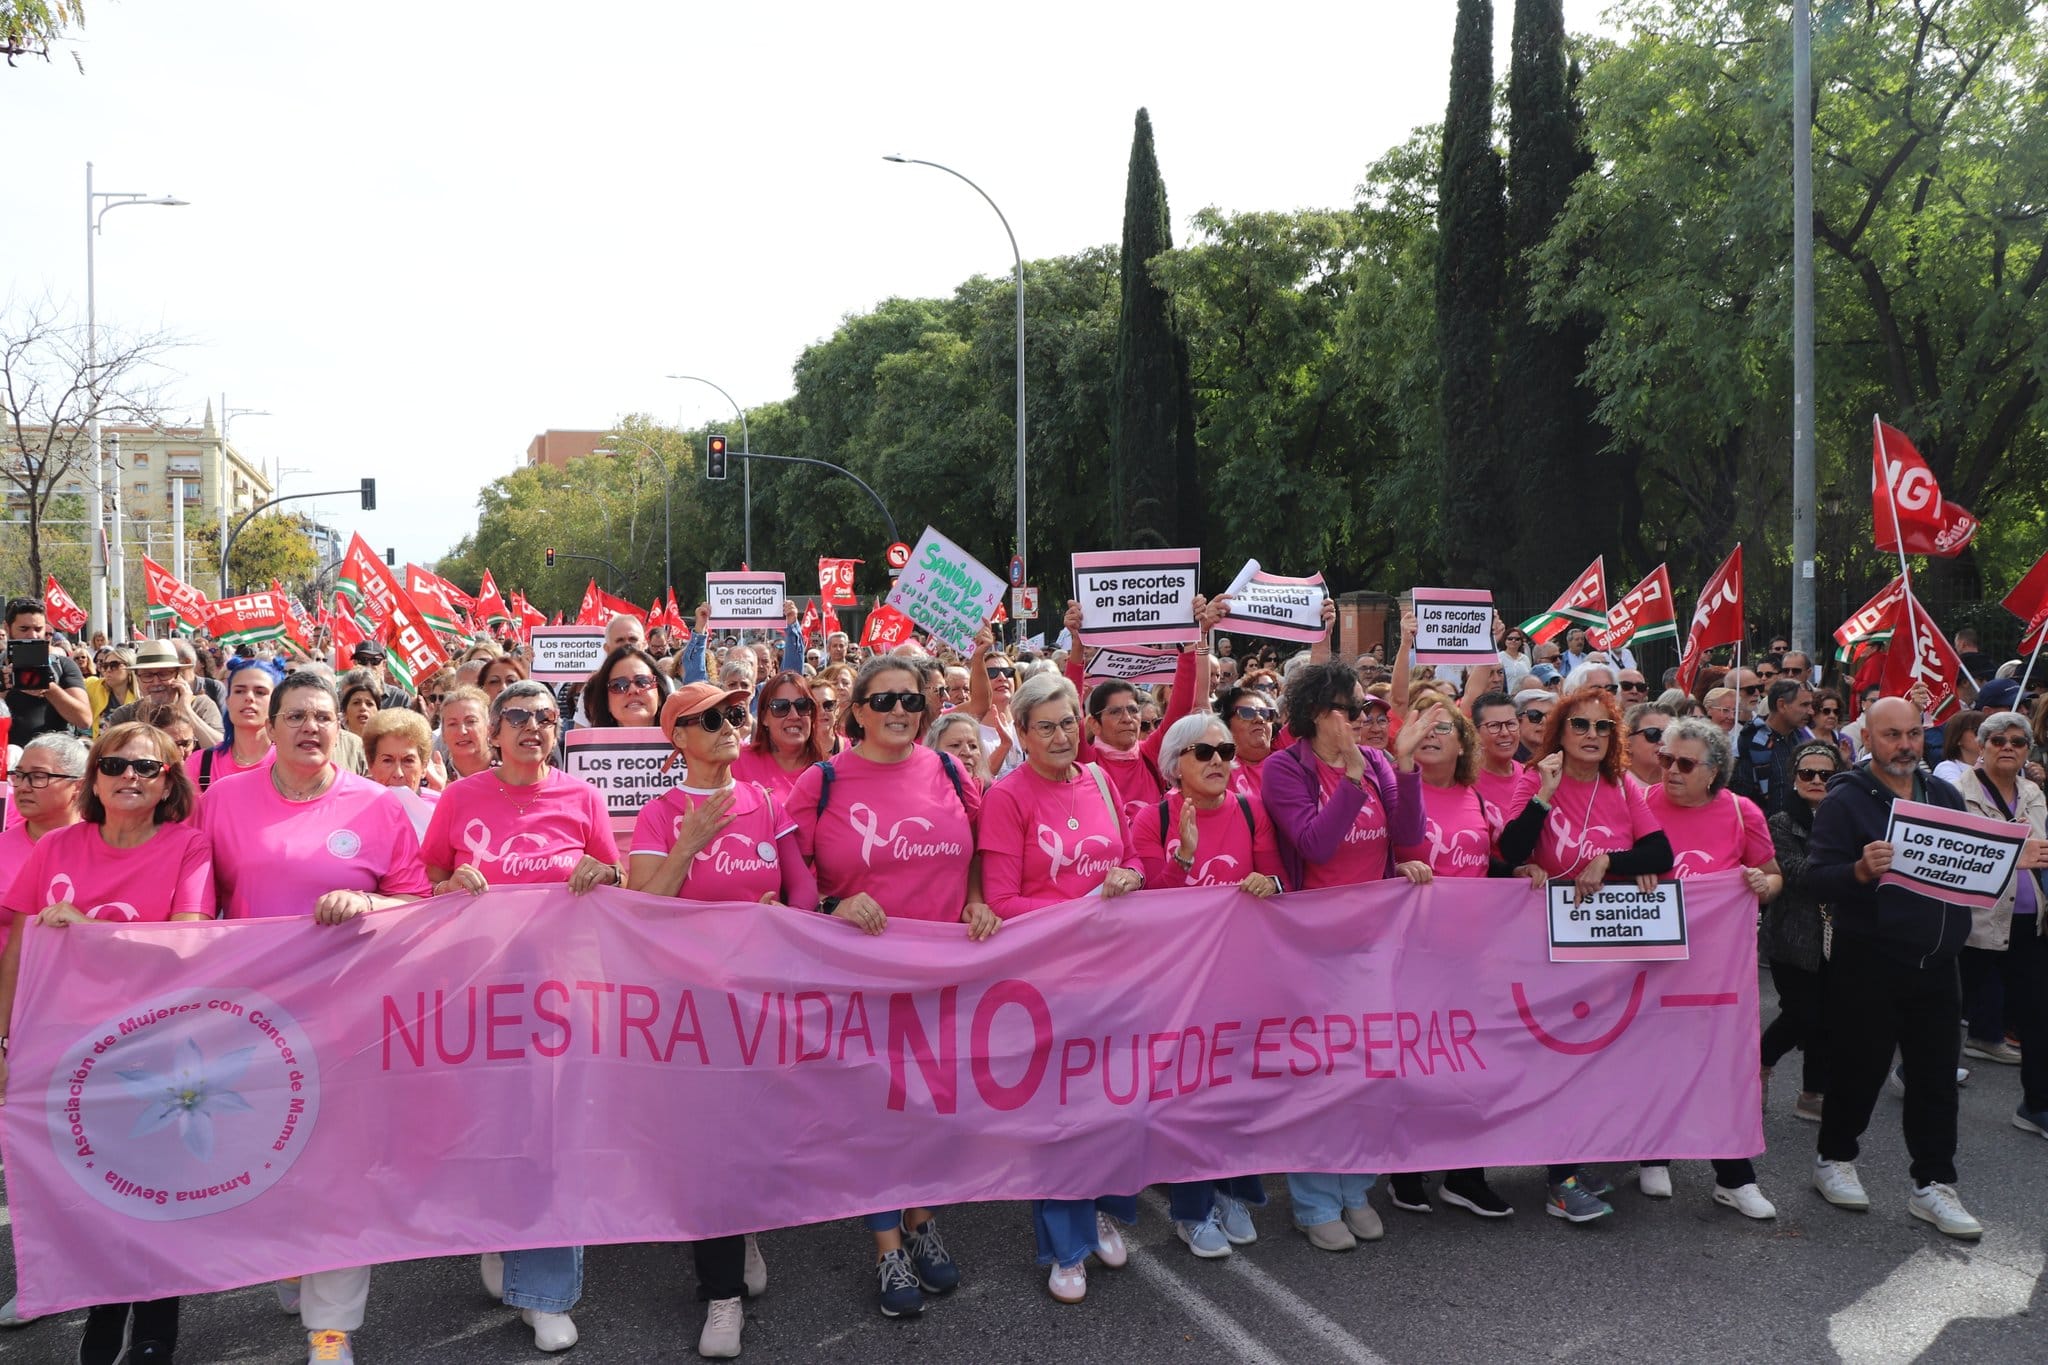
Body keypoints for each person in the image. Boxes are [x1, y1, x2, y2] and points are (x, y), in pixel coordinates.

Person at [199, 671, 430, 1363]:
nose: (310, 726)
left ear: (342, 729)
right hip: (250, 1023)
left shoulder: (377, 805)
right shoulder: (220, 801)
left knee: (338, 1168)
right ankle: (289, 1254)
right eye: (295, 714)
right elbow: (189, 904)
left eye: (324, 716)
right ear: (267, 728)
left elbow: (416, 902)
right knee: (265, 1161)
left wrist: (368, 905)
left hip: (348, 1019)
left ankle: (332, 1330)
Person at [0, 721, 211, 1365]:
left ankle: (153, 1336)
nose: (129, 777)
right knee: (92, 1194)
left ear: (167, 780)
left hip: (158, 1049)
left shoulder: (189, 846)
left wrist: (89, 930)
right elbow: (18, 950)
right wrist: (4, 1039)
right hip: (65, 1050)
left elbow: (188, 946)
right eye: (115, 765)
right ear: (93, 776)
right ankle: (100, 1325)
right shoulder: (58, 847)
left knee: (154, 1196)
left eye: (146, 768)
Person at [421, 679, 620, 1353]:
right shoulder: (459, 798)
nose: (534, 725)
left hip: (563, 997)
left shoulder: (582, 796)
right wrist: (448, 887)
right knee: (491, 1129)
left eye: (545, 716)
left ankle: (547, 1293)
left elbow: (616, 884)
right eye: (518, 717)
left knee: (554, 1138)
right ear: (494, 734)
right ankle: (498, 1235)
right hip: (480, 999)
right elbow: (424, 883)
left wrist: (603, 876)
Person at [788, 655, 988, 1319]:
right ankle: (886, 1245)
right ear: (857, 712)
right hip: (860, 978)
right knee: (874, 1111)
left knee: (935, 1107)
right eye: (882, 700)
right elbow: (792, 891)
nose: (898, 709)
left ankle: (922, 1218)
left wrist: (978, 899)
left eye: (909, 698)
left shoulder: (951, 769)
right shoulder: (820, 782)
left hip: (943, 975)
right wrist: (831, 908)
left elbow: (981, 849)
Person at [1804, 698, 2048, 1240]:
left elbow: (1969, 861)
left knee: (1936, 1078)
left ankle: (1934, 1183)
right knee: (1860, 1068)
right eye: (1892, 735)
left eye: (1914, 733)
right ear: (1868, 736)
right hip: (1869, 958)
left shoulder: (1940, 793)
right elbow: (1817, 880)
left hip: (1938, 960)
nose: (1906, 745)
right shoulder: (1846, 800)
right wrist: (1860, 871)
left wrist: (2015, 859)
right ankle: (1834, 1159)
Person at [977, 673, 1145, 1300]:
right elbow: (999, 899)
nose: (1061, 734)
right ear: (1021, 733)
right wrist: (1078, 911)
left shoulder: (1099, 779)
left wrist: (1127, 876)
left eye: (1069, 720)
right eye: (1044, 725)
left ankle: (1103, 1205)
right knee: (1062, 1117)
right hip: (1047, 981)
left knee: (1113, 1104)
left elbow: (1128, 856)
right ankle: (1065, 1245)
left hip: (1115, 975)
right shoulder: (1007, 796)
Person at [1262, 661, 1430, 1250]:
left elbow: (1411, 840)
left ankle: (1354, 1187)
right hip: (1313, 951)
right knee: (1320, 1075)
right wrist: (1353, 780)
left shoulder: (1379, 761)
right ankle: (1313, 1200)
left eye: (1365, 709)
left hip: (1375, 945)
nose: (1364, 720)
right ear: (1316, 715)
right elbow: (1315, 843)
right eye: (1351, 710)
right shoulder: (1284, 769)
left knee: (1370, 1071)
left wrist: (1404, 768)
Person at [1496, 684, 1674, 1223]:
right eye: (1581, 726)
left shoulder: (1622, 786)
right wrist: (1544, 796)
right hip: (1547, 948)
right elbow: (1508, 851)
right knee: (1561, 1061)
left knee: (1603, 1059)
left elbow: (1660, 853)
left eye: (1603, 727)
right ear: (1560, 733)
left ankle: (1576, 1162)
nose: (1592, 735)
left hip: (1610, 948)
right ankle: (1558, 1181)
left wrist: (1611, 861)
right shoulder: (1535, 778)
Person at [1123, 712, 1279, 1257]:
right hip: (1176, 984)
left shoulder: (1249, 808)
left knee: (1235, 1094)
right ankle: (1192, 1209)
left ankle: (1230, 1191)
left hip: (1238, 978)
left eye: (1226, 752)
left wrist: (1270, 882)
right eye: (1205, 752)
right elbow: (1148, 907)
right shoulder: (1152, 820)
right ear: (1176, 764)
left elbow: (1277, 879)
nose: (1219, 761)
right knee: (1188, 1098)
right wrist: (1184, 855)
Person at [1387, 703, 1534, 1220]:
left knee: (1470, 1066)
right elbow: (1385, 853)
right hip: (1411, 955)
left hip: (1472, 957)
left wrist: (1519, 873)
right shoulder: (1396, 792)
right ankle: (1406, 1171)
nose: (1430, 734)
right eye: (1421, 725)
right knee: (1415, 1064)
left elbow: (1491, 862)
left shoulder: (1474, 796)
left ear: (1462, 743)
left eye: (1442, 727)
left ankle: (1467, 1176)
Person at [1639, 716, 1782, 1218]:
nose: (1670, 771)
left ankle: (1735, 1176)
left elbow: (1770, 874)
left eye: (1683, 763)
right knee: (1653, 1062)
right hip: (1651, 971)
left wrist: (1765, 887)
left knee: (1725, 1069)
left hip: (1717, 974)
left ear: (1714, 770)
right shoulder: (1640, 804)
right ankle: (1652, 1153)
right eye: (1664, 759)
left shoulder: (1743, 814)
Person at [1950, 714, 2044, 1118]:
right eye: (1999, 740)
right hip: (1975, 922)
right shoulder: (1955, 792)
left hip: (2028, 921)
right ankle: (1914, 1071)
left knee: (2038, 1016)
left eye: (2019, 742)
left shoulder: (2034, 793)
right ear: (1981, 746)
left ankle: (2036, 1106)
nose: (2009, 747)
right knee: (1948, 1009)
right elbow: (1956, 858)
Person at [1762, 740, 1847, 1125]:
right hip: (1791, 937)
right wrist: (1848, 870)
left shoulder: (1849, 819)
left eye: (1825, 775)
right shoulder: (1780, 822)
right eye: (1806, 773)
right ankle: (1760, 1064)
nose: (1815, 780)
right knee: (1801, 1013)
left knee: (1830, 1017)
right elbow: (1795, 872)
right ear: (1794, 778)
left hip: (1840, 936)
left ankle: (1813, 1092)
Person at [2, 597, 92, 742]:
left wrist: (49, 687)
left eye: (38, 629)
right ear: (7, 627)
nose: (32, 635)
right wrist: (3, 688)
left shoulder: (62, 666)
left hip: (53, 756)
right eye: (24, 629)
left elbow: (84, 720)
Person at [103, 639, 223, 746]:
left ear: (178, 675)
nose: (156, 682)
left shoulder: (201, 706)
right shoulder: (125, 716)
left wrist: (187, 711)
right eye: (147, 675)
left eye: (164, 674)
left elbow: (222, 751)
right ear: (138, 679)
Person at [733, 671, 830, 803]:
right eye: (781, 707)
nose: (794, 715)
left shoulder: (830, 773)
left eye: (802, 705)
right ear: (763, 718)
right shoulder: (739, 762)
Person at [191, 655, 282, 795]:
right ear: (228, 700)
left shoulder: (290, 763)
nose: (249, 697)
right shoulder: (200, 763)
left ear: (277, 703)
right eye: (239, 691)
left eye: (260, 692)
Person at [1732, 678, 1816, 816]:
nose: (1811, 712)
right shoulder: (1753, 744)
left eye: (1811, 705)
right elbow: (1742, 799)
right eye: (1804, 705)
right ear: (1782, 705)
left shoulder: (1800, 739)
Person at [1213, 683, 1281, 796]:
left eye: (1265, 713)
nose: (1259, 719)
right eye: (1247, 713)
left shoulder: (1288, 759)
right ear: (1225, 725)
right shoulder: (1216, 765)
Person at [583, 645, 672, 728]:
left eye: (642, 681)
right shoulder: (587, 744)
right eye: (618, 685)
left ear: (659, 696)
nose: (633, 690)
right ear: (606, 701)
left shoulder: (684, 743)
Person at [436, 685, 495, 781]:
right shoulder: (432, 782)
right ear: (443, 733)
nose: (462, 731)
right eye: (452, 724)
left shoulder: (514, 774)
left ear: (488, 727)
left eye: (471, 721)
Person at [1624, 699, 1678, 790]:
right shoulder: (1614, 787)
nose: (1662, 741)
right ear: (1627, 742)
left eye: (1669, 734)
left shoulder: (1685, 788)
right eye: (1652, 734)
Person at [925, 711, 991, 784]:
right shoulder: (920, 791)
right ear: (932, 750)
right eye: (955, 745)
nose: (968, 752)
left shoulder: (991, 792)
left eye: (973, 746)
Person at [83, 645, 137, 732]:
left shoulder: (142, 696)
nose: (108, 670)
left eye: (114, 665)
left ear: (130, 668)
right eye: (104, 666)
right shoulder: (94, 686)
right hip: (99, 743)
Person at [1933, 709, 1986, 790]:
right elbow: (1959, 794)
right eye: (1978, 731)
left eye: (1988, 732)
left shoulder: (1995, 767)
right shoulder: (1946, 768)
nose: (1984, 737)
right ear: (1958, 738)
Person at [1809, 687, 1852, 762]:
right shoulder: (1799, 737)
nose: (1832, 716)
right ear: (1813, 712)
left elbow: (1853, 769)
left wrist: (1844, 761)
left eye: (1836, 711)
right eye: (1826, 711)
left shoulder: (1845, 741)